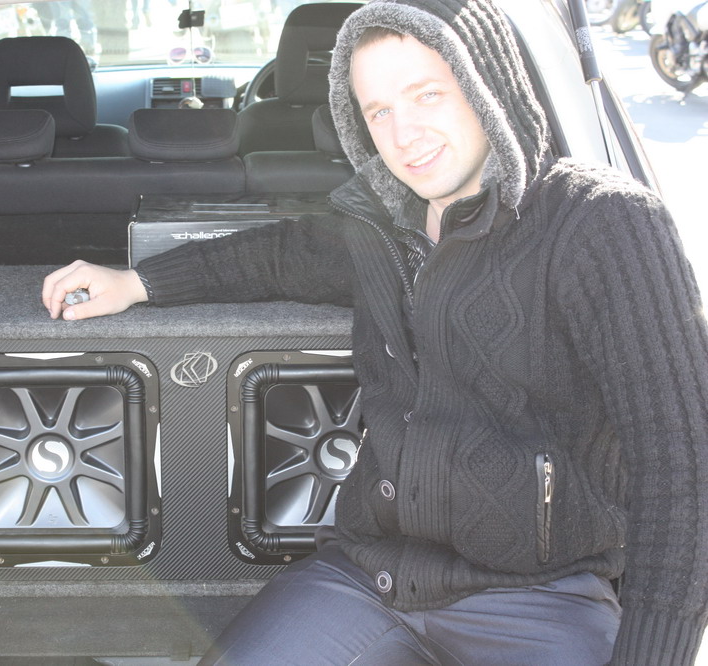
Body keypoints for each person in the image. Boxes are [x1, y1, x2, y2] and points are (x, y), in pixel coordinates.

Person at [41, 0, 708, 663]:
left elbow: (684, 467)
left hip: (542, 593)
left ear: (487, 83)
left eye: (427, 95)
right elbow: (280, 254)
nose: (404, 134)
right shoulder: (378, 226)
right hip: (370, 576)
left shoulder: (600, 223)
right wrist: (139, 282)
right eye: (378, 111)